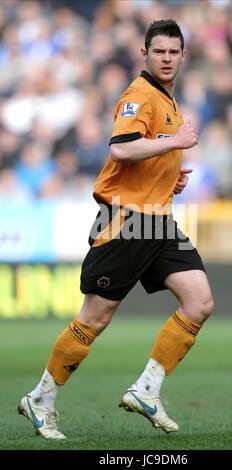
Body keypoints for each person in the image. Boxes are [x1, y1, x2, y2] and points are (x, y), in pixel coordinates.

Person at [18, 19, 214, 439]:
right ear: (144, 54)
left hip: (159, 221)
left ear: (183, 56)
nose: (165, 58)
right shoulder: (138, 94)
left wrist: (170, 176)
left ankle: (147, 389)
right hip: (125, 221)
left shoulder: (168, 100)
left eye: (172, 52)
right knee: (96, 318)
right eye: (158, 51)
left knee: (199, 301)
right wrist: (175, 144)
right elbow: (122, 148)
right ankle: (40, 398)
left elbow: (147, 153)